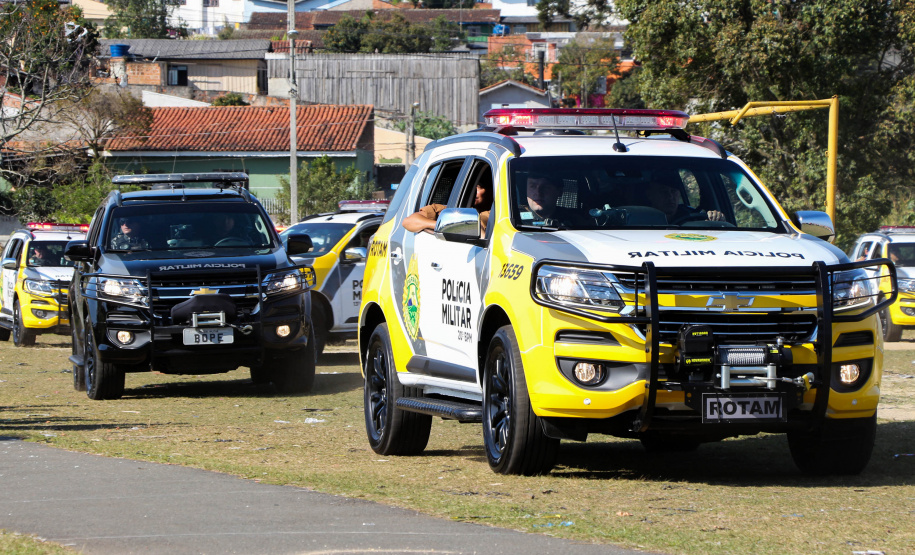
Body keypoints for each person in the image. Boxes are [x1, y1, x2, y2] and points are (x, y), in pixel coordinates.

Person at [402, 172, 493, 234]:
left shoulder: (498, 214)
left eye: (478, 188)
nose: (472, 192)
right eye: (471, 188)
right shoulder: (447, 210)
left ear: (492, 191)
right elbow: (408, 222)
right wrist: (445, 225)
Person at [643, 179, 725, 224]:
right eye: (663, 192)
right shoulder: (638, 220)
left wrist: (717, 219)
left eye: (674, 191)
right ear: (650, 195)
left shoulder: (692, 217)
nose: (670, 196)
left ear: (679, 194)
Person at [520, 171, 585, 227]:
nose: (538, 193)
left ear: (559, 192)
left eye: (545, 187)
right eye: (532, 186)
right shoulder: (514, 217)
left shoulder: (575, 221)